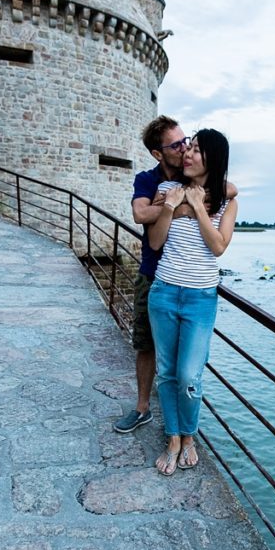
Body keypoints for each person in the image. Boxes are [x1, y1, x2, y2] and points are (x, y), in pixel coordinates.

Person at [113, 116, 236, 433]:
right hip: (154, 275)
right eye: (177, 145)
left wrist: (194, 200)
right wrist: (179, 207)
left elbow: (228, 188)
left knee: (186, 370)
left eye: (187, 142)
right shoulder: (150, 180)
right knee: (146, 345)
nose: (184, 149)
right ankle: (144, 409)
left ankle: (184, 432)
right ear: (158, 153)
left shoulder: (190, 175)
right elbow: (141, 214)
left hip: (194, 286)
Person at [148, 129, 238, 475]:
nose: (187, 154)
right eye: (188, 148)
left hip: (201, 298)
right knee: (167, 372)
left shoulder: (228, 201)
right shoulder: (166, 191)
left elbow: (218, 246)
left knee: (189, 376)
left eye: (197, 150)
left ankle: (190, 434)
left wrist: (200, 208)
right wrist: (169, 208)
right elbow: (155, 243)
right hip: (165, 291)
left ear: (212, 159)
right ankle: (175, 438)